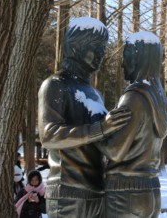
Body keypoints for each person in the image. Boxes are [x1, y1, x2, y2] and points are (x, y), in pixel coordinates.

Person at [38, 17, 131, 218]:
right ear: (77, 47)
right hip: (68, 193)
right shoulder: (56, 85)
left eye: (103, 48)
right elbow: (49, 136)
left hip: (97, 191)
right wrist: (101, 129)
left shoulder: (94, 93)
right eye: (95, 47)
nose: (101, 53)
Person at [97, 31, 167, 218]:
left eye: (127, 56)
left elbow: (115, 151)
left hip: (126, 193)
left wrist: (94, 130)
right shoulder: (158, 97)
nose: (122, 64)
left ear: (140, 58)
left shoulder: (134, 97)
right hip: (151, 189)